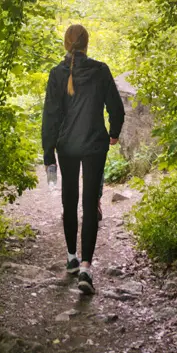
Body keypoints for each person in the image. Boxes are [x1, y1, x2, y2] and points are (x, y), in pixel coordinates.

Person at [41, 24, 125, 294]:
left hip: (67, 147)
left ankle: (71, 258)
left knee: (69, 199)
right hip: (94, 146)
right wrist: (113, 134)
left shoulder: (57, 74)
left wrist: (48, 152)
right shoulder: (100, 71)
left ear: (66, 44)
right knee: (90, 204)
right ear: (86, 44)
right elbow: (117, 108)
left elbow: (50, 117)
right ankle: (87, 268)